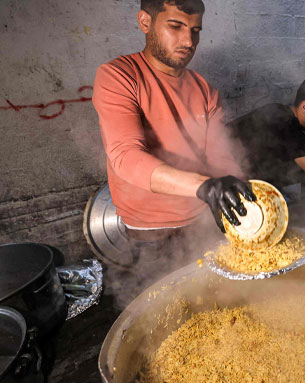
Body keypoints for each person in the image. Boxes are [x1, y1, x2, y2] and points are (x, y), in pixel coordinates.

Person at [92, 0, 255, 246]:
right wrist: (204, 186)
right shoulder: (119, 76)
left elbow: (220, 157)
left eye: (195, 31)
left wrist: (243, 189)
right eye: (176, 26)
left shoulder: (205, 90)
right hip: (151, 232)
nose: (189, 42)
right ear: (145, 22)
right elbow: (125, 156)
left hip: (204, 219)